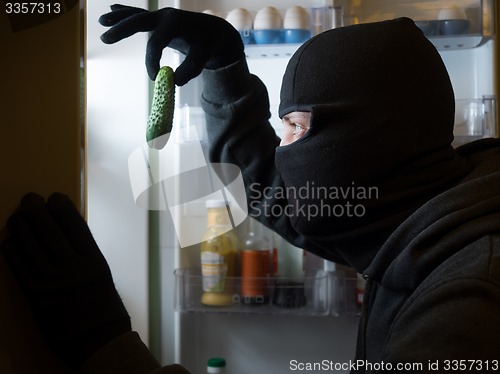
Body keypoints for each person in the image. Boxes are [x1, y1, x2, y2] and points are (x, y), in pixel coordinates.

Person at [2, 4, 500, 373]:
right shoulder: (410, 211)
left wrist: (104, 345)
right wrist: (223, 65)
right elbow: (264, 185)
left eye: (297, 127)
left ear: (369, 140)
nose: (284, 152)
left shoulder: (467, 302)